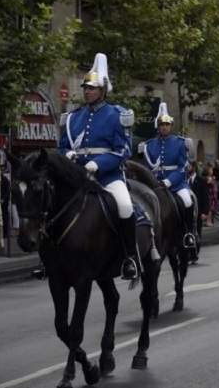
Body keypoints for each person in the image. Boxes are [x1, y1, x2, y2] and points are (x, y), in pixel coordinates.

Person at [58, 53, 138, 280]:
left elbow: (123, 151)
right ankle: (51, 258)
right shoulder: (73, 118)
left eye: (91, 88)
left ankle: (129, 257)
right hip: (78, 177)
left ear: (102, 90)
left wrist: (98, 164)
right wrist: (69, 155)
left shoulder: (118, 114)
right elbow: (61, 147)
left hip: (108, 177)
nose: (87, 91)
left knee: (125, 206)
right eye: (85, 88)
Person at [141, 102, 196, 249]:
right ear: (157, 127)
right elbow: (147, 167)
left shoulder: (179, 143)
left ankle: (189, 233)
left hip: (176, 184)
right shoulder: (149, 145)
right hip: (155, 184)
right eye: (161, 124)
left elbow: (182, 168)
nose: (164, 127)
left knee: (187, 201)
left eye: (166, 124)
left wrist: (169, 182)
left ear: (171, 126)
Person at [188, 161, 209, 263]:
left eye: (189, 166)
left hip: (198, 211)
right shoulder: (185, 180)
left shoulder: (201, 181)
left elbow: (205, 197)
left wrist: (205, 212)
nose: (187, 168)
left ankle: (195, 254)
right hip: (187, 211)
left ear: (193, 167)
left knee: (197, 232)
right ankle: (188, 253)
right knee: (187, 231)